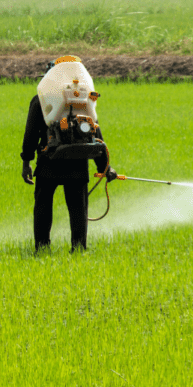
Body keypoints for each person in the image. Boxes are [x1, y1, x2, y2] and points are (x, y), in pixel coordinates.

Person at [21, 62, 116, 253]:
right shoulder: (82, 101)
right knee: (78, 209)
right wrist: (104, 167)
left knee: (43, 205)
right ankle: (79, 249)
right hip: (77, 161)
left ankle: (42, 248)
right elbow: (95, 133)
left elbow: (30, 134)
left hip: (49, 160)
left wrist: (26, 163)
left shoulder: (40, 100)